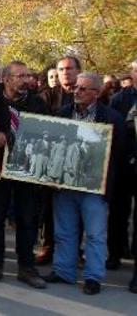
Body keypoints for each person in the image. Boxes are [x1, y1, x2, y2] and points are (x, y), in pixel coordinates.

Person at [44, 72, 126, 295]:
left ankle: (93, 277)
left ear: (96, 93)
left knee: (95, 234)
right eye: (76, 88)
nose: (76, 92)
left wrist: (103, 183)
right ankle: (63, 271)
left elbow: (117, 157)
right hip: (65, 186)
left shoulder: (112, 119)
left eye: (83, 88)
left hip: (93, 189)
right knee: (64, 232)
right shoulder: (62, 114)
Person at [0, 61, 48, 288]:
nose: (26, 80)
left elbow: (47, 132)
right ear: (6, 79)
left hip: (26, 170)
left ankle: (27, 267)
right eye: (20, 76)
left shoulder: (37, 103)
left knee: (27, 218)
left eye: (27, 75)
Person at [36, 56, 81, 265]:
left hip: (79, 158)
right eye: (61, 69)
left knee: (78, 206)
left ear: (78, 71)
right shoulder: (47, 96)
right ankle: (48, 246)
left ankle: (76, 249)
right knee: (49, 206)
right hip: (52, 158)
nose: (65, 72)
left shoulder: (87, 93)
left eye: (70, 69)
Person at [108, 58, 137, 290]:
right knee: (118, 212)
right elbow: (112, 133)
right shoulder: (120, 98)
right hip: (125, 165)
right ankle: (115, 253)